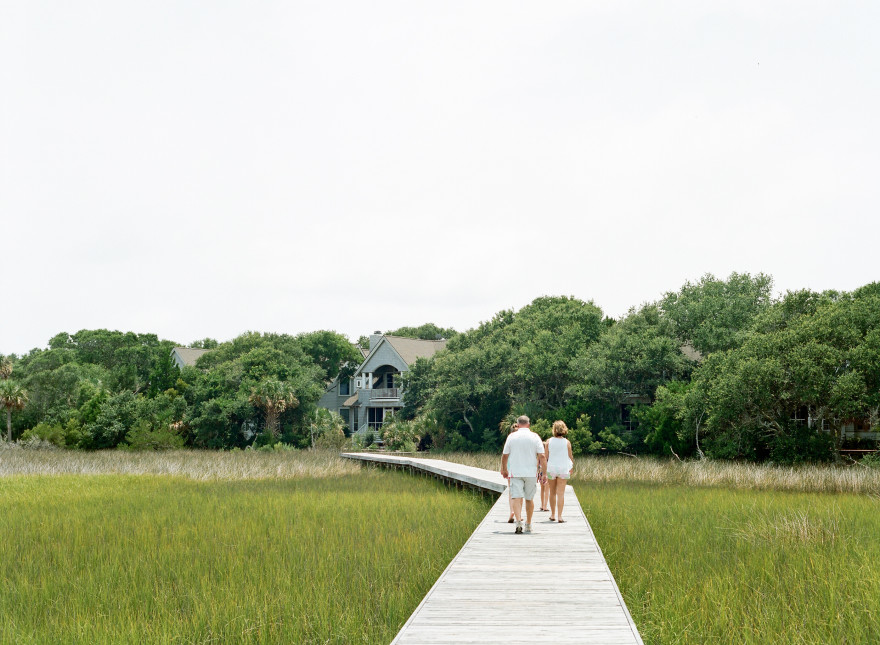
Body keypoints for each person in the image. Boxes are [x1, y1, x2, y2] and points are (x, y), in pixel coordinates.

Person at [500, 415, 547, 534]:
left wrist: (504, 469)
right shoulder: (535, 437)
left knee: (516, 497)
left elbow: (505, 455)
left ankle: (518, 522)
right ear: (529, 424)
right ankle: (529, 524)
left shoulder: (511, 436)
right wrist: (544, 473)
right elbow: (542, 456)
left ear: (518, 424)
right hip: (531, 473)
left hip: (515, 472)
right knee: (529, 499)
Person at [546, 420, 574, 522]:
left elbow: (546, 457)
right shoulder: (567, 442)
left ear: (554, 429)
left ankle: (552, 514)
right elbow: (570, 457)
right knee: (561, 493)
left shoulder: (549, 441)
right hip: (563, 469)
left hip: (551, 468)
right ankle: (559, 516)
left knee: (552, 492)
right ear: (564, 429)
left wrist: (542, 470)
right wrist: (572, 467)